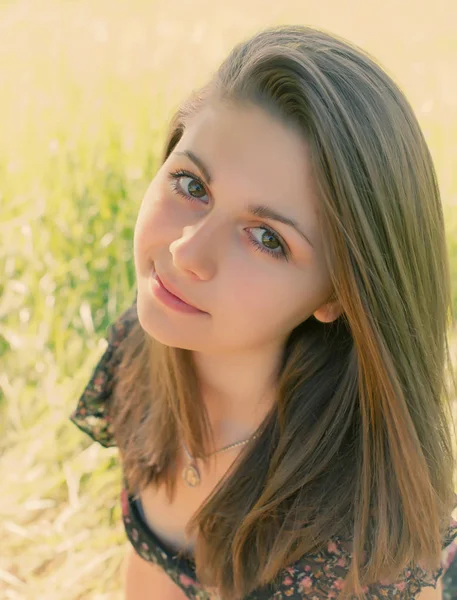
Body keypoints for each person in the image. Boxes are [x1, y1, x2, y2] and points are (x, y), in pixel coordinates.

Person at [70, 24, 457, 600]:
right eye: (191, 184)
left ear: (338, 296)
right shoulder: (143, 349)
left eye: (266, 237)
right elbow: (151, 571)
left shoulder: (361, 531)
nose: (187, 253)